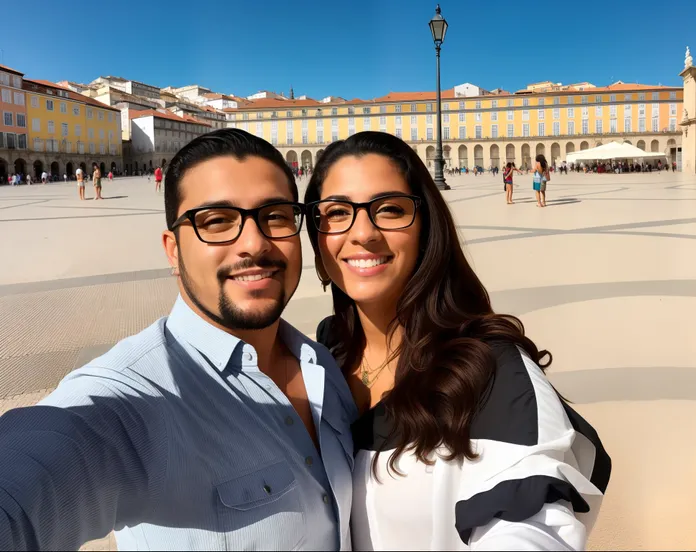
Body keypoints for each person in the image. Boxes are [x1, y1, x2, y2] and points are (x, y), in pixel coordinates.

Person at [0, 128, 355, 551]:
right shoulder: (136, 398)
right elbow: (37, 469)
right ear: (173, 250)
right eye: (216, 221)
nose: (254, 243)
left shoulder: (322, 364)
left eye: (275, 215)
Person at [304, 132, 610, 550]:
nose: (363, 233)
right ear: (316, 233)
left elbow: (532, 522)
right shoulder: (323, 354)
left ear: (427, 227)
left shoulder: (490, 368)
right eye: (337, 212)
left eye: (390, 210)